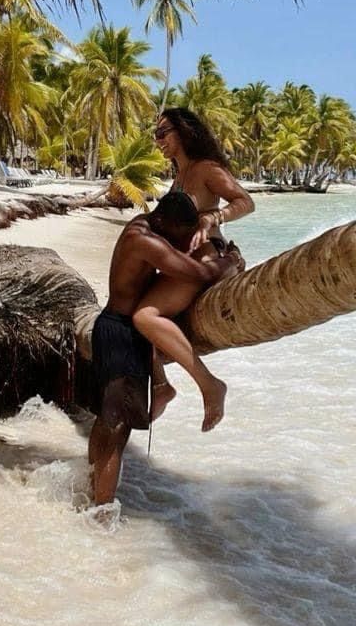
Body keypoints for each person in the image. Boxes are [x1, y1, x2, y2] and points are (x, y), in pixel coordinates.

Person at [88, 192, 243, 505]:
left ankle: (90, 498)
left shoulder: (148, 227)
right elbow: (198, 273)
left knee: (106, 424)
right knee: (116, 432)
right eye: (179, 235)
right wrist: (231, 259)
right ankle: (101, 514)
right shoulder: (145, 241)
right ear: (162, 222)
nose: (183, 243)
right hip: (120, 334)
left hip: (116, 330)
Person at [133, 108, 255, 425]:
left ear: (183, 132)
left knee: (145, 316)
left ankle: (210, 386)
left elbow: (245, 202)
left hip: (207, 257)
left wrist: (213, 217)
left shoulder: (205, 169)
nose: (157, 140)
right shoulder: (179, 175)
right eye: (154, 134)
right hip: (183, 261)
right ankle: (160, 386)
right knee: (132, 309)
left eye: (163, 133)